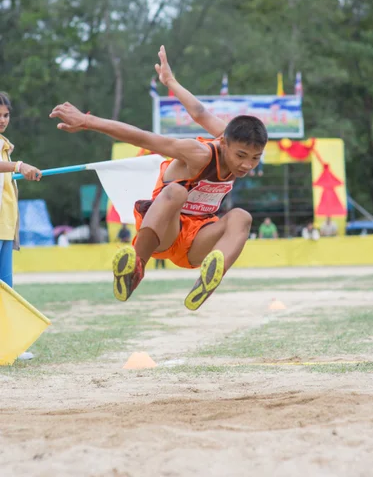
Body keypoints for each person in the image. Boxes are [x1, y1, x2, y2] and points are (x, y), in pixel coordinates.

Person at [50, 45, 268, 311]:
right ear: (224, 144)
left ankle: (209, 279)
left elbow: (199, 112)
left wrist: (171, 81)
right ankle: (135, 268)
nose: (246, 165)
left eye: (255, 158)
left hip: (197, 239)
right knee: (177, 192)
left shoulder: (233, 138)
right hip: (163, 230)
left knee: (242, 217)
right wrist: (87, 121)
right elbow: (143, 137)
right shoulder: (199, 154)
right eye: (242, 156)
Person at [0, 92, 42, 360]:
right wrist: (18, 165)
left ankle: (9, 345)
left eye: (5, 115)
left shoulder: (4, 144)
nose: (3, 120)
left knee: (6, 289)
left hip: (4, 226)